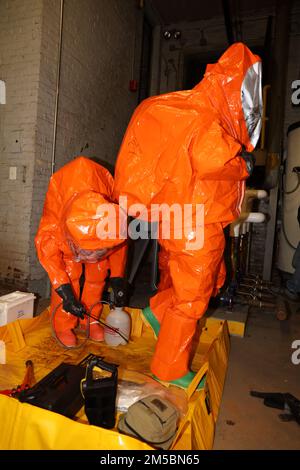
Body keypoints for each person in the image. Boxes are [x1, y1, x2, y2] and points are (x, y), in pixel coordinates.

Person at [114, 43, 262, 388]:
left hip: (187, 218)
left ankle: (157, 312)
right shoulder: (205, 116)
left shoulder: (195, 110)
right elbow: (213, 159)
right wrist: (244, 163)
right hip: (197, 220)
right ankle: (169, 368)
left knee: (211, 281)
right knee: (193, 297)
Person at [35, 156, 127, 347]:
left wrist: (118, 277)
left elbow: (120, 243)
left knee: (98, 274)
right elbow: (47, 249)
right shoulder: (57, 211)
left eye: (97, 252)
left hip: (94, 236)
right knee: (70, 274)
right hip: (66, 234)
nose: (90, 259)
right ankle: (62, 325)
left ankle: (90, 320)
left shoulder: (110, 215)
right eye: (86, 253)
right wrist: (66, 293)